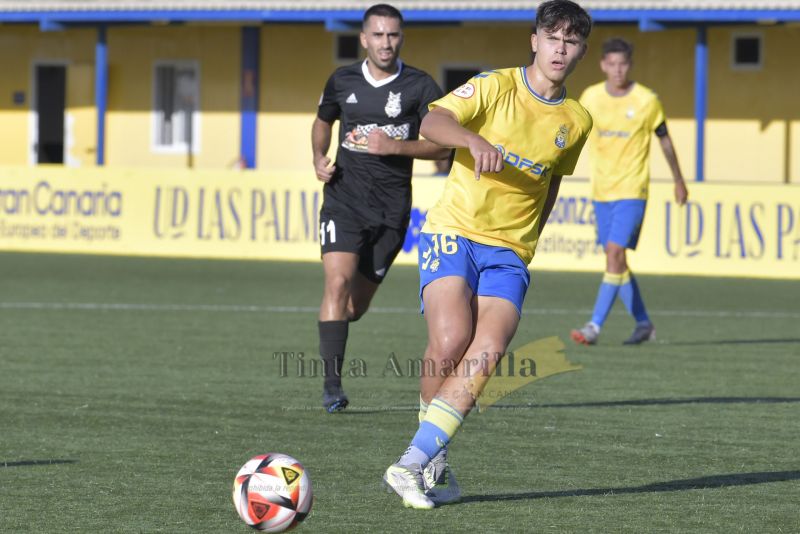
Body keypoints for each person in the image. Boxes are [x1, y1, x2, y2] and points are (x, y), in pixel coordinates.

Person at [382, 0, 593, 509]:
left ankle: (412, 462)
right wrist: (472, 140)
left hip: (510, 251)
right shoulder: (496, 86)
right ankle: (429, 452)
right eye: (553, 37)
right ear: (534, 40)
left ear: (580, 49)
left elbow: (552, 184)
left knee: (489, 349)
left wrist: (530, 245)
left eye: (571, 41)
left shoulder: (578, 120)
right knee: (451, 338)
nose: (560, 49)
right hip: (453, 229)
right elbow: (433, 123)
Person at [312, 4, 450, 413]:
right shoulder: (342, 80)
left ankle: (334, 326)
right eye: (378, 35)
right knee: (335, 284)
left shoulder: (421, 86)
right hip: (343, 200)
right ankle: (332, 388)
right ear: (364, 38)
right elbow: (323, 120)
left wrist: (396, 146)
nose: (385, 43)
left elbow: (444, 145)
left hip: (391, 212)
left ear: (401, 38)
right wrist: (318, 157)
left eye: (393, 35)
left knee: (353, 307)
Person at [570, 37, 688, 346]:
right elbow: (574, 133)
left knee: (614, 253)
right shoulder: (591, 97)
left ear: (630, 65)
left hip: (633, 191)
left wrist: (678, 179)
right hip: (601, 192)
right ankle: (644, 324)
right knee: (617, 261)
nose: (618, 70)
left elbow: (664, 139)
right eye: (612, 64)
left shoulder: (647, 100)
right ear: (603, 65)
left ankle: (594, 326)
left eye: (623, 64)